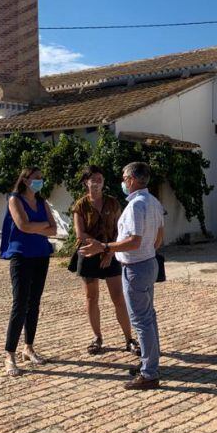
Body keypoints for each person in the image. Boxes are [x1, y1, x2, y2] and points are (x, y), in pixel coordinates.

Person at [81, 162, 164, 390]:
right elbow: (159, 235)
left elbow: (134, 240)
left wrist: (106, 247)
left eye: (124, 177)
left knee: (142, 320)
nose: (123, 182)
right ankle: (150, 362)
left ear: (132, 180)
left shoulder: (137, 205)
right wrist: (149, 251)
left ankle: (149, 372)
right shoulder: (153, 201)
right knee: (149, 316)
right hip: (147, 263)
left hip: (136, 267)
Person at [72, 165, 140, 356]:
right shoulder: (80, 205)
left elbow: (121, 230)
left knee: (118, 297)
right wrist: (97, 248)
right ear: (86, 182)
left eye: (100, 178)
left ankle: (129, 339)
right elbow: (80, 233)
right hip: (88, 254)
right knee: (91, 298)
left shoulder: (112, 203)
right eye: (93, 178)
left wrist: (109, 252)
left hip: (111, 253)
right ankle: (97, 338)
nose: (98, 181)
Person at [0, 166, 56, 377]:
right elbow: (23, 225)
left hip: (41, 255)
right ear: (24, 180)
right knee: (20, 303)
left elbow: (54, 229)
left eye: (41, 178)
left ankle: (29, 347)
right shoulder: (14, 199)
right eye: (35, 178)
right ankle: (9, 354)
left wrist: (37, 226)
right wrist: (41, 225)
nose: (39, 181)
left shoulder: (42, 202)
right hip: (21, 256)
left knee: (34, 303)